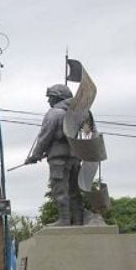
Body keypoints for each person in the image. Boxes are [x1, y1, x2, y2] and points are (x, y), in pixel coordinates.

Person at [25, 84, 85, 226]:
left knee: (60, 189)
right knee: (74, 191)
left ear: (58, 97)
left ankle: (64, 220)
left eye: (50, 97)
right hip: (75, 158)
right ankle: (78, 221)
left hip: (58, 158)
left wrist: (35, 155)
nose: (48, 101)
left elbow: (45, 137)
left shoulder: (54, 113)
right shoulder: (79, 113)